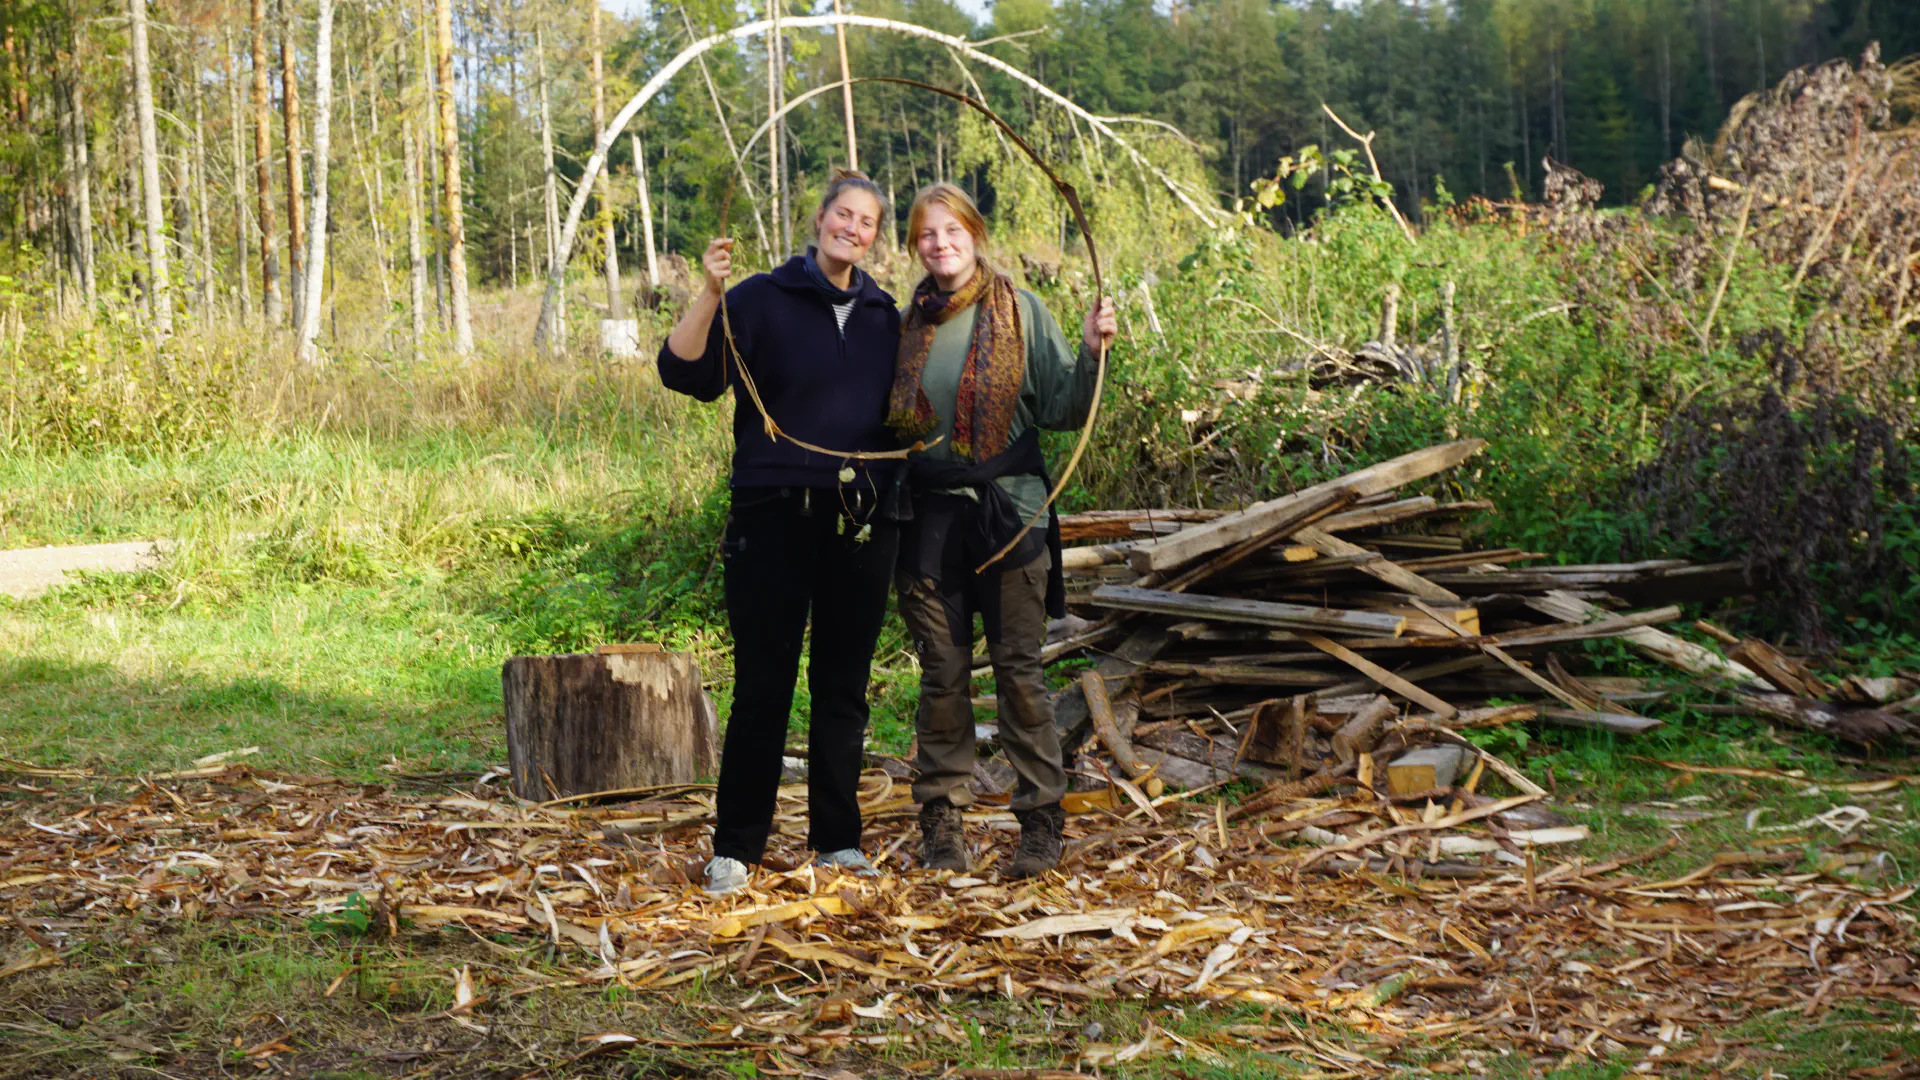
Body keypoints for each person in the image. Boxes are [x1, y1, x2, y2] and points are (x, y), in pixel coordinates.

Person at [658, 170, 902, 896]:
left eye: (867, 223)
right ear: (820, 218)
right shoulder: (760, 298)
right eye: (843, 215)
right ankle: (737, 847)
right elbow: (684, 373)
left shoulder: (888, 315)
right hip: (771, 513)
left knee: (843, 686)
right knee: (764, 685)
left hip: (861, 519)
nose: (852, 229)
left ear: (874, 239)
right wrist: (709, 289)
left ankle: (837, 842)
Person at [887, 183, 1116, 879]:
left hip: (1011, 519)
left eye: (952, 230)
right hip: (928, 524)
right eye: (927, 234)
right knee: (943, 675)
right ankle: (943, 826)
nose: (941, 244)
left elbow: (1066, 409)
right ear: (914, 245)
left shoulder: (1020, 309)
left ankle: (1041, 821)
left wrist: (1092, 349)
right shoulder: (905, 326)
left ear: (975, 233)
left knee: (1019, 676)